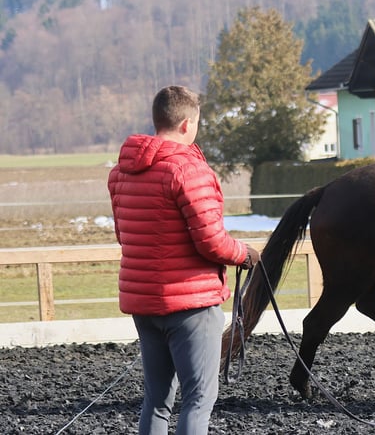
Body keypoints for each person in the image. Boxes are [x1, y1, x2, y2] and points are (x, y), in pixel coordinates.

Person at [107, 85, 261, 435]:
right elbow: (212, 243)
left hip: (144, 303)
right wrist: (244, 254)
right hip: (190, 304)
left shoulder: (121, 173)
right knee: (198, 398)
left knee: (156, 401)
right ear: (187, 124)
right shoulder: (189, 170)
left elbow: (124, 235)